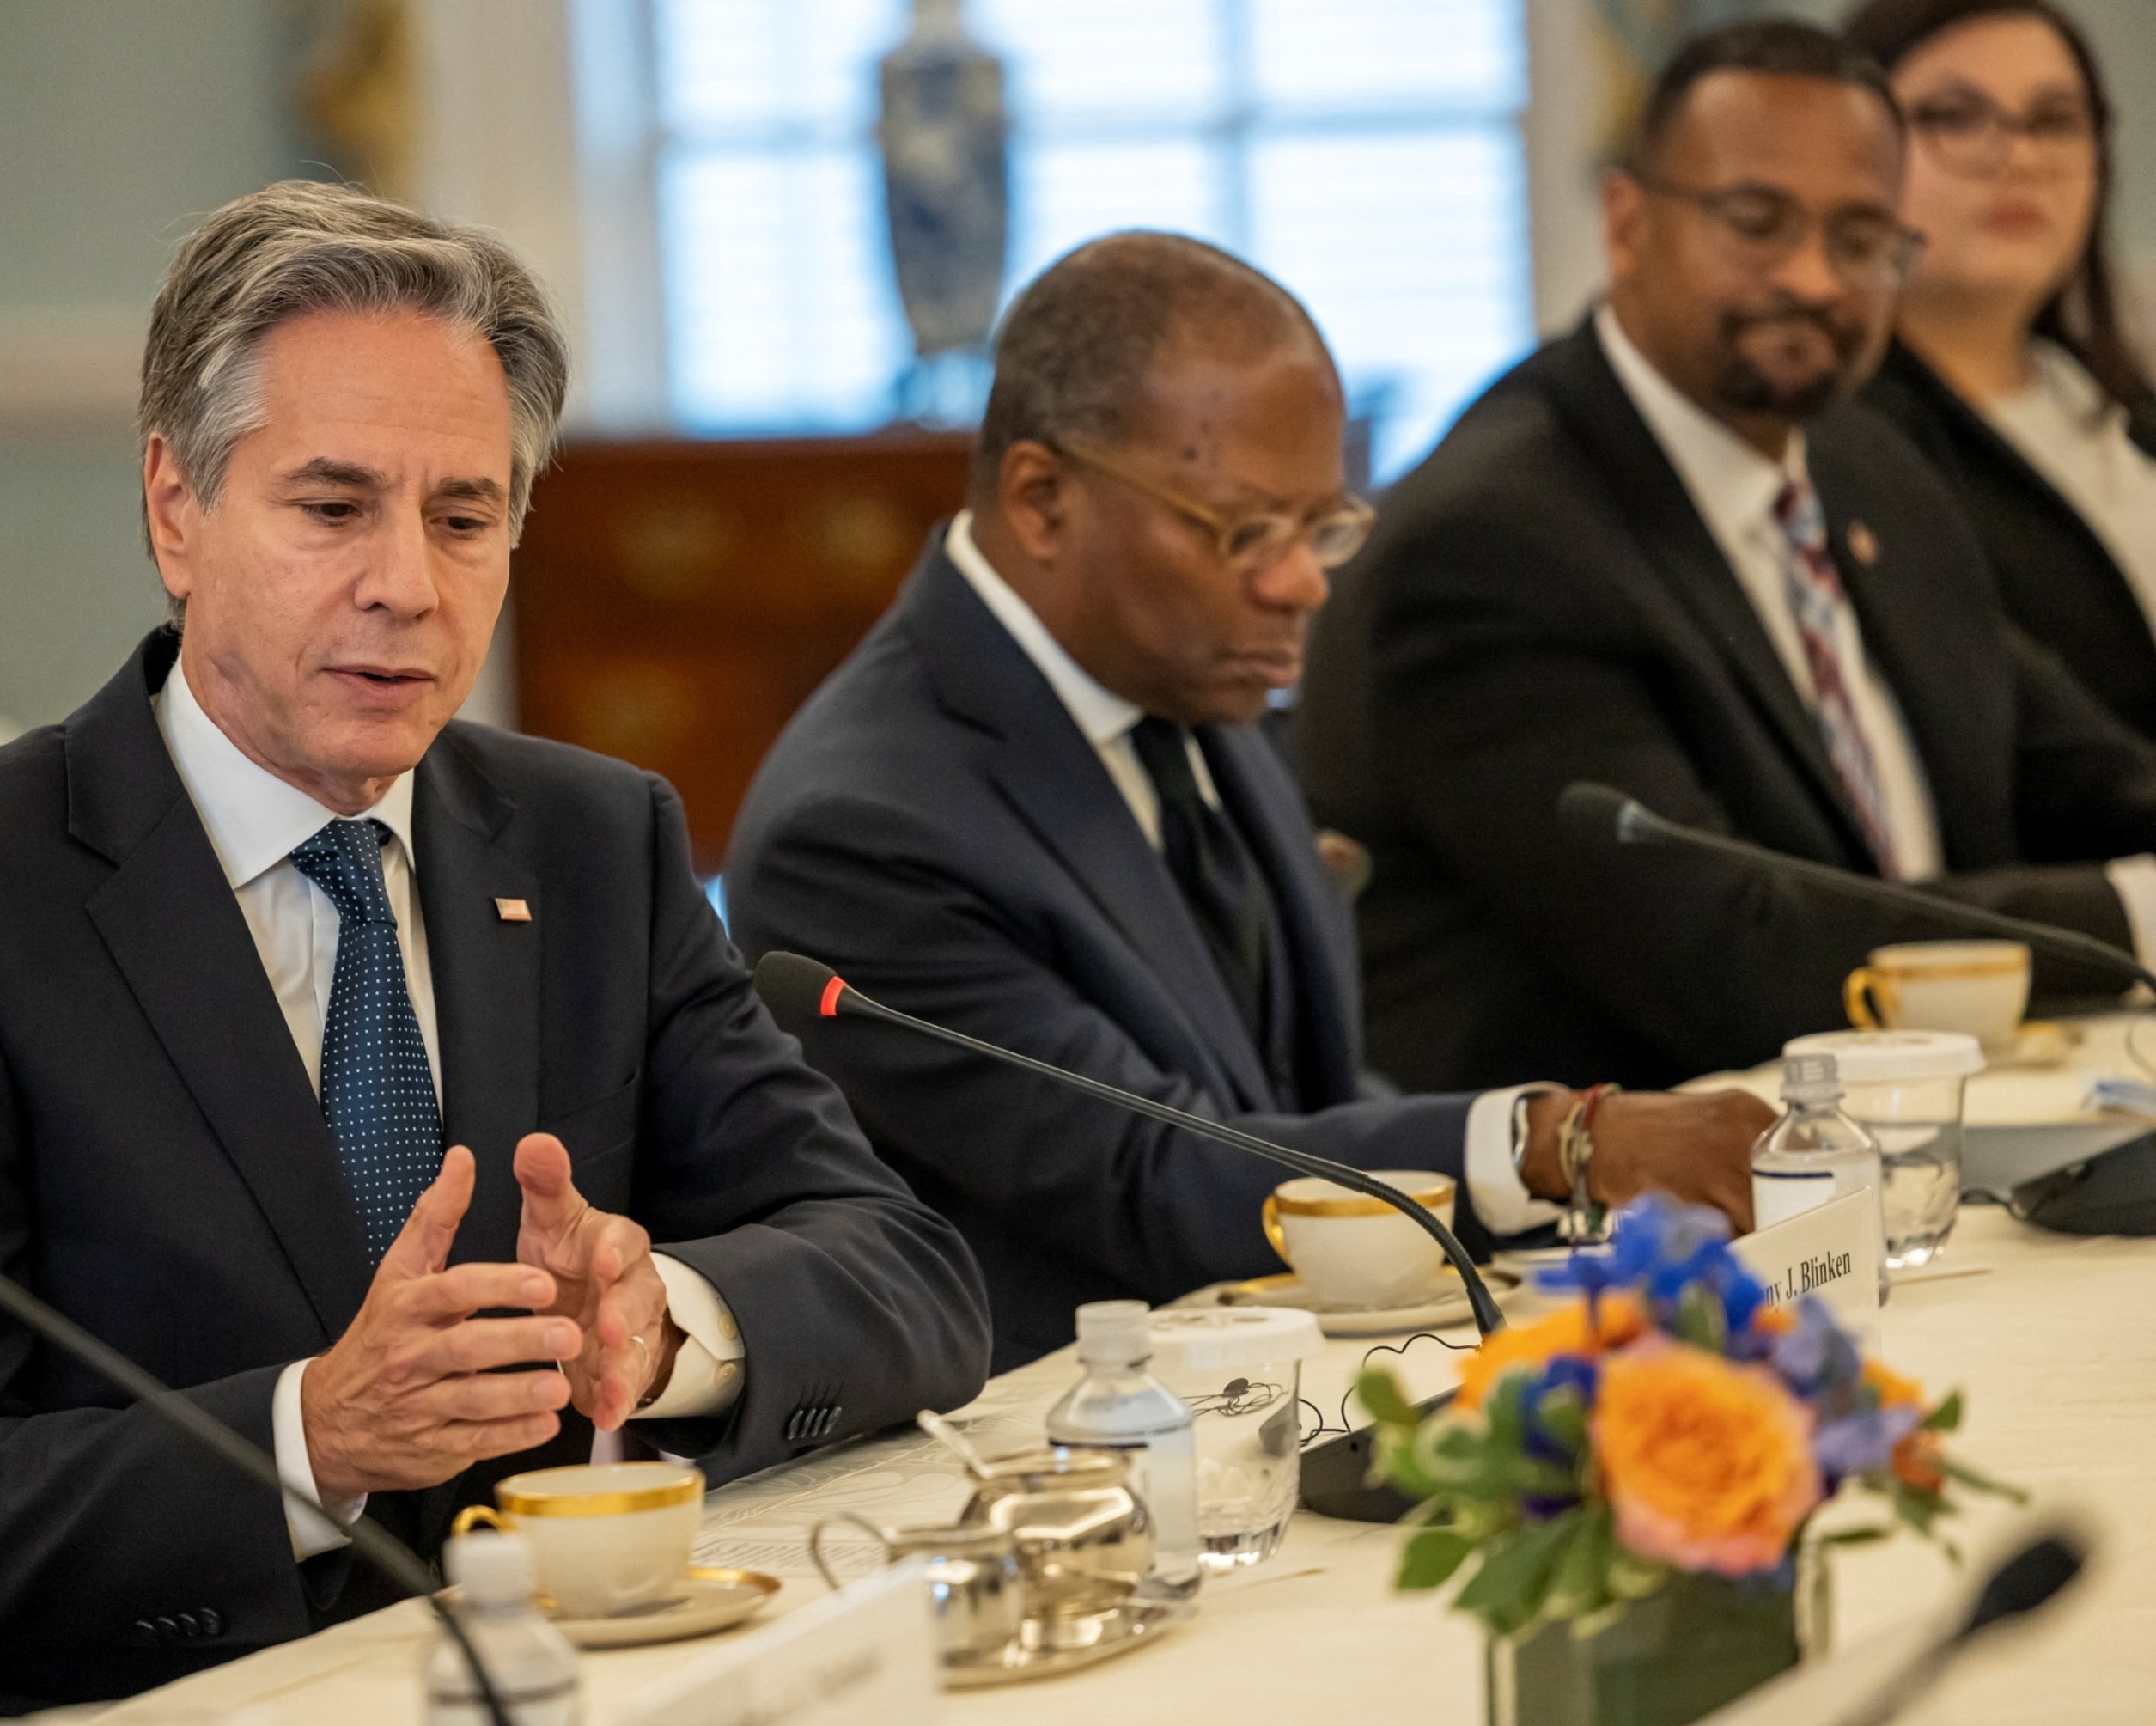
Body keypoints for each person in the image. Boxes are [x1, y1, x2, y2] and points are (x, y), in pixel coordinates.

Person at [0, 182, 990, 1726]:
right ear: (174, 510)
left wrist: (664, 1318)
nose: (408, 583)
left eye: (464, 516)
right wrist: (309, 1436)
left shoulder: (592, 841)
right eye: (333, 508)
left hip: (530, 1689)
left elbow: (909, 1272)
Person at [725, 232, 1770, 1372]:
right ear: (1040, 498)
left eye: (1324, 526)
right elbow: (1152, 1167)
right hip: (1075, 1433)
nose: (1304, 582)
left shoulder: (1184, 678)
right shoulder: (868, 826)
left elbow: (1297, 1087)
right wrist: (1551, 1142)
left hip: (1289, 1372)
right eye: (1245, 531)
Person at [1295, 20, 2156, 1097]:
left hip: (1920, 1141)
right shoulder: (1494, 545)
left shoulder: (1861, 460)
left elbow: (2082, 770)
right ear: (1627, 222)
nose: (1810, 278)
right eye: (1757, 224)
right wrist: (2137, 911)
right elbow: (1736, 952)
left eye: (1858, 239)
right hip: (1615, 1223)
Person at [1848, 0, 2156, 738]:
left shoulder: (2111, 407)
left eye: (2054, 120)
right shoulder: (1845, 451)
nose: (2019, 157)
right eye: (1955, 117)